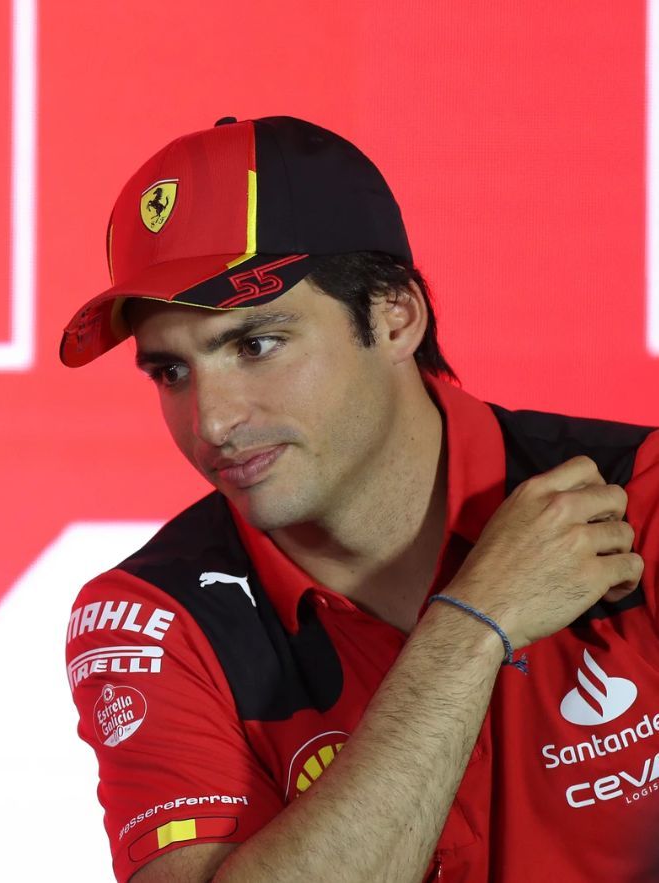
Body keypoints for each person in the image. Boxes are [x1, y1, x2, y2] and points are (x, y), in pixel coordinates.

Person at [59, 116, 658, 881]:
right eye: (171, 372)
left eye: (255, 344)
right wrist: (472, 624)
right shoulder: (153, 617)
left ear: (394, 316)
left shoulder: (642, 492)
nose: (211, 422)